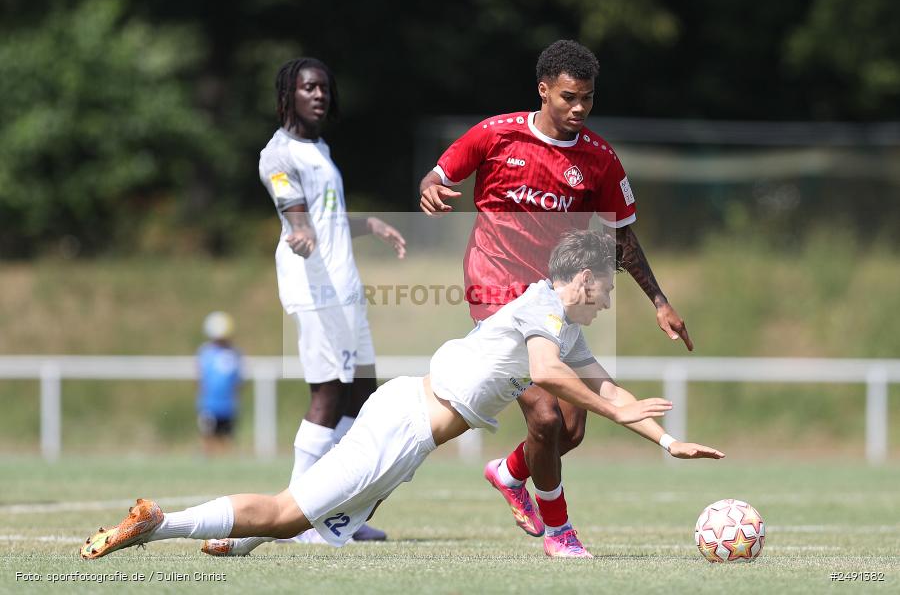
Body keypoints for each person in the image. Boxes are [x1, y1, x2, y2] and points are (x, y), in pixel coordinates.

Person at [79, 230, 723, 561]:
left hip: (406, 420)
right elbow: (552, 376)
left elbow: (604, 384)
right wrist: (612, 409)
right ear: (583, 279)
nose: (610, 299)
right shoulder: (542, 314)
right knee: (288, 515)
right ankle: (162, 524)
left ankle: (232, 538)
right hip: (407, 427)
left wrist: (667, 440)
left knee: (323, 520)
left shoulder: (555, 319)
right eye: (607, 288)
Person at [419, 40, 694, 557]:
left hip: (555, 294)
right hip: (495, 287)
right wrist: (429, 186)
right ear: (543, 90)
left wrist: (658, 300)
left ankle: (510, 471)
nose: (579, 109)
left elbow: (621, 236)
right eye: (569, 97)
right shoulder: (495, 135)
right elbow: (438, 174)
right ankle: (560, 533)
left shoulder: (599, 160)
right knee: (545, 414)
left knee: (570, 427)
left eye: (587, 99)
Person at [256, 57, 406, 545]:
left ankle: (338, 510)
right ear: (289, 95)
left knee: (363, 395)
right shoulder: (278, 155)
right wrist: (298, 231)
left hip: (344, 289)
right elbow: (294, 210)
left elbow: (326, 215)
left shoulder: (319, 148)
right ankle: (295, 518)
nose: (319, 94)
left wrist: (369, 225)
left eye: (323, 87)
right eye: (308, 87)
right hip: (314, 290)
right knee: (327, 394)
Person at [196, 312, 242, 457]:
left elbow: (238, 380)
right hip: (209, 404)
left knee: (227, 438)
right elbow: (200, 378)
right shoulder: (205, 352)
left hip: (228, 405)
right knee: (208, 436)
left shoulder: (235, 353)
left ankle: (226, 464)